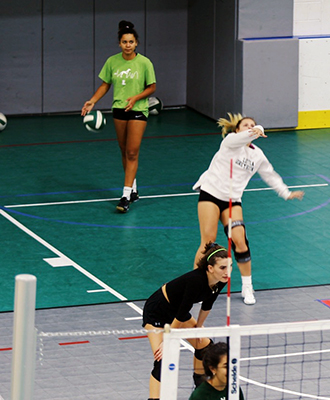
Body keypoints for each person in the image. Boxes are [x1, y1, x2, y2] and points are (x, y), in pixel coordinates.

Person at [193, 113, 304, 305]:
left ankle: (247, 286)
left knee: (240, 240)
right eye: (246, 125)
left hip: (232, 200)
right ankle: (196, 285)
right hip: (210, 194)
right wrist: (257, 129)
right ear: (237, 130)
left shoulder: (257, 155)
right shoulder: (229, 142)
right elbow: (245, 136)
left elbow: (270, 174)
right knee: (208, 242)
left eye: (252, 125)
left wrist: (286, 193)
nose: (250, 128)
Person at [81, 20, 156, 213]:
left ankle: (125, 196)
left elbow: (152, 87)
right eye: (124, 42)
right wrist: (92, 101)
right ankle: (133, 189)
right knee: (124, 150)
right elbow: (105, 84)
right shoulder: (112, 61)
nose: (128, 45)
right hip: (119, 110)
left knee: (132, 152)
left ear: (136, 43)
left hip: (138, 110)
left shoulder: (145, 63)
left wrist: (136, 98)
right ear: (120, 44)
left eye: (131, 42)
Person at [142, 242, 230, 399]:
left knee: (205, 346)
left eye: (229, 266)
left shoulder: (221, 280)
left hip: (176, 311)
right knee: (163, 358)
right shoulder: (196, 281)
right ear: (210, 268)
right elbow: (182, 313)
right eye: (222, 268)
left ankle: (200, 387)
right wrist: (168, 339)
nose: (227, 272)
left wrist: (199, 327)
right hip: (157, 311)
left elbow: (208, 304)